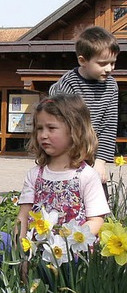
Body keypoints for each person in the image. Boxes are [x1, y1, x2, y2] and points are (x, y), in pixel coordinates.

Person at [17, 94, 110, 240]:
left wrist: (69, 241)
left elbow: (97, 221)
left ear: (75, 131)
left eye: (51, 128)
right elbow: (23, 217)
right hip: (39, 254)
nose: (43, 135)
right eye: (40, 129)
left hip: (74, 255)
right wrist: (20, 252)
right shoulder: (35, 175)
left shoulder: (87, 175)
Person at [49, 26, 120, 186]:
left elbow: (109, 125)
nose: (109, 69)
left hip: (94, 155)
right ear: (83, 61)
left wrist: (101, 161)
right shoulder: (69, 84)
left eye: (113, 63)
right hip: (67, 154)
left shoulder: (111, 86)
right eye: (102, 64)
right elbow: (63, 125)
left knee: (97, 201)